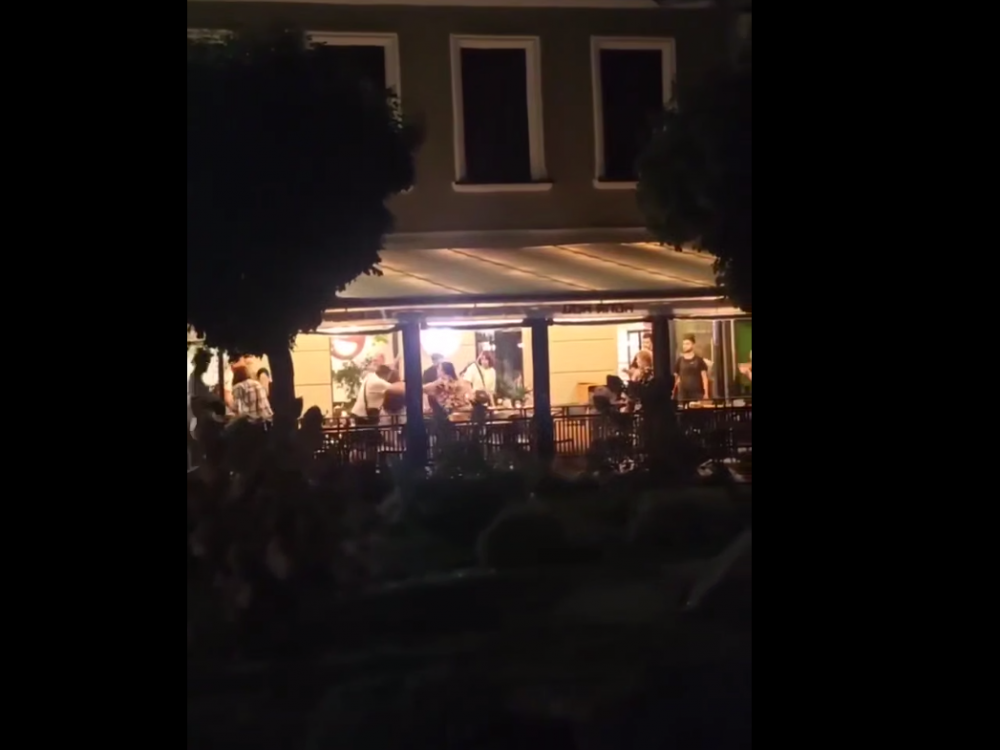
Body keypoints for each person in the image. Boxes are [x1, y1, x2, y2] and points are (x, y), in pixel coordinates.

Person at [673, 334, 710, 401]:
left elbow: (704, 378)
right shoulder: (679, 360)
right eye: (684, 344)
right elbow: (676, 377)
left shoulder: (699, 360)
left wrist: (706, 393)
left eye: (687, 344)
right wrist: (673, 392)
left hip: (697, 394)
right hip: (682, 394)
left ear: (693, 345)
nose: (685, 346)